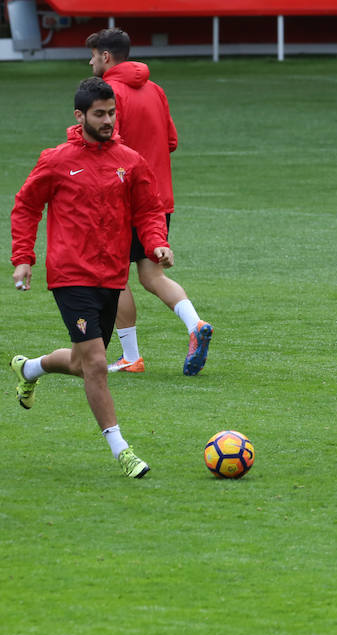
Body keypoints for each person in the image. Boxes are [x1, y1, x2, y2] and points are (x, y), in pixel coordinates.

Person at [9, 77, 174, 478]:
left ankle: (29, 368)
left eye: (112, 113)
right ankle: (123, 450)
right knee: (99, 363)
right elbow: (26, 206)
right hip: (70, 275)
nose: (108, 121)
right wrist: (23, 258)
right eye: (100, 114)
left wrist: (156, 244)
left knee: (85, 363)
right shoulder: (56, 160)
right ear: (79, 115)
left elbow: (148, 210)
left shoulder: (130, 161)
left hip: (111, 276)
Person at [87, 27, 213, 376]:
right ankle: (194, 324)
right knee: (151, 273)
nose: (90, 61)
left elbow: (111, 145)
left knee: (117, 278)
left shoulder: (108, 94)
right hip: (160, 198)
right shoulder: (156, 89)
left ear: (107, 57)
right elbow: (171, 141)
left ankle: (131, 356)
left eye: (94, 55)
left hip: (124, 199)